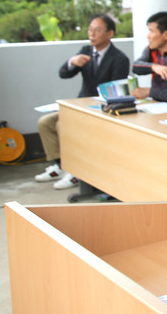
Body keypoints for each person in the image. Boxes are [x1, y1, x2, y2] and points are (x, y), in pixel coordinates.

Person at [34, 14, 131, 189]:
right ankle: (60, 164)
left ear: (110, 34)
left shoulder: (119, 59)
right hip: (80, 107)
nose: (92, 34)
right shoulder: (86, 50)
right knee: (45, 122)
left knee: (62, 125)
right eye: (90, 29)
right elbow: (64, 74)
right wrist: (72, 62)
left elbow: (115, 91)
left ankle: (76, 171)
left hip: (101, 109)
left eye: (97, 30)